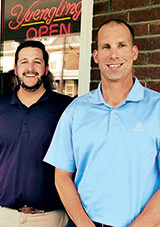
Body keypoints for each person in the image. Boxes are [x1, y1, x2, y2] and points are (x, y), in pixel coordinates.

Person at [44, 19, 160, 227]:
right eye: (106, 47)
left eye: (121, 45)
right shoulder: (76, 110)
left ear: (134, 52)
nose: (113, 54)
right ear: (96, 56)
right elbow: (61, 177)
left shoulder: (157, 108)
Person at [0, 40, 72, 227]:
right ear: (16, 68)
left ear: (45, 68)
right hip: (1, 215)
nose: (30, 68)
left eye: (37, 61)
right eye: (24, 62)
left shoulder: (64, 107)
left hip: (49, 217)